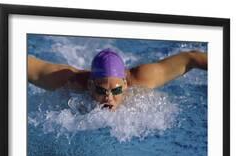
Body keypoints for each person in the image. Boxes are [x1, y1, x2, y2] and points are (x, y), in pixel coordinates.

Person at [28, 48, 207, 110]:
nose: (109, 98)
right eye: (101, 90)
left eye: (116, 90)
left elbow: (190, 58)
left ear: (125, 84)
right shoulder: (69, 81)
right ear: (90, 86)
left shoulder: (144, 78)